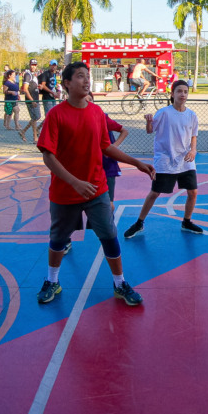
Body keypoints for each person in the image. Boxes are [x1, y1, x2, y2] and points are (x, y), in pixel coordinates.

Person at [35, 61, 156, 305]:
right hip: (65, 191)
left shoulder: (96, 113)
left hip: (97, 189)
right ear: (67, 83)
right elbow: (48, 155)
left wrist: (136, 162)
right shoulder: (56, 114)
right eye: (80, 76)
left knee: (109, 235)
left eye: (87, 76)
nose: (86, 80)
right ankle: (52, 281)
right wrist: (74, 182)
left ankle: (120, 284)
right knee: (58, 239)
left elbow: (105, 146)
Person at [122, 79, 203, 237]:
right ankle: (139, 223)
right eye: (179, 91)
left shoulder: (192, 115)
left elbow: (194, 136)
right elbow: (150, 130)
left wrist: (193, 150)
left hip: (185, 160)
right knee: (154, 193)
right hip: (165, 160)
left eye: (185, 92)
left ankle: (186, 221)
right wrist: (148, 122)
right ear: (172, 94)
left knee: (193, 192)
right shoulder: (164, 112)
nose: (183, 94)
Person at [20, 59, 42, 142]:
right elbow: (25, 89)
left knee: (36, 117)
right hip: (31, 99)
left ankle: (23, 131)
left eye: (35, 65)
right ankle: (35, 137)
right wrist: (32, 100)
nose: (33, 66)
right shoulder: (28, 75)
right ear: (29, 65)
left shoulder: (34, 75)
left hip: (36, 98)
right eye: (32, 64)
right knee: (35, 117)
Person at [2, 69, 20, 135]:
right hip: (9, 99)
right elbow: (4, 91)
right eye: (13, 75)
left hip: (15, 99)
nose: (14, 76)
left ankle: (17, 125)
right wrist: (11, 92)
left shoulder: (14, 82)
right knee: (9, 113)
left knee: (17, 110)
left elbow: (17, 90)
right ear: (9, 75)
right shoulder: (7, 83)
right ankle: (7, 125)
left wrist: (18, 95)